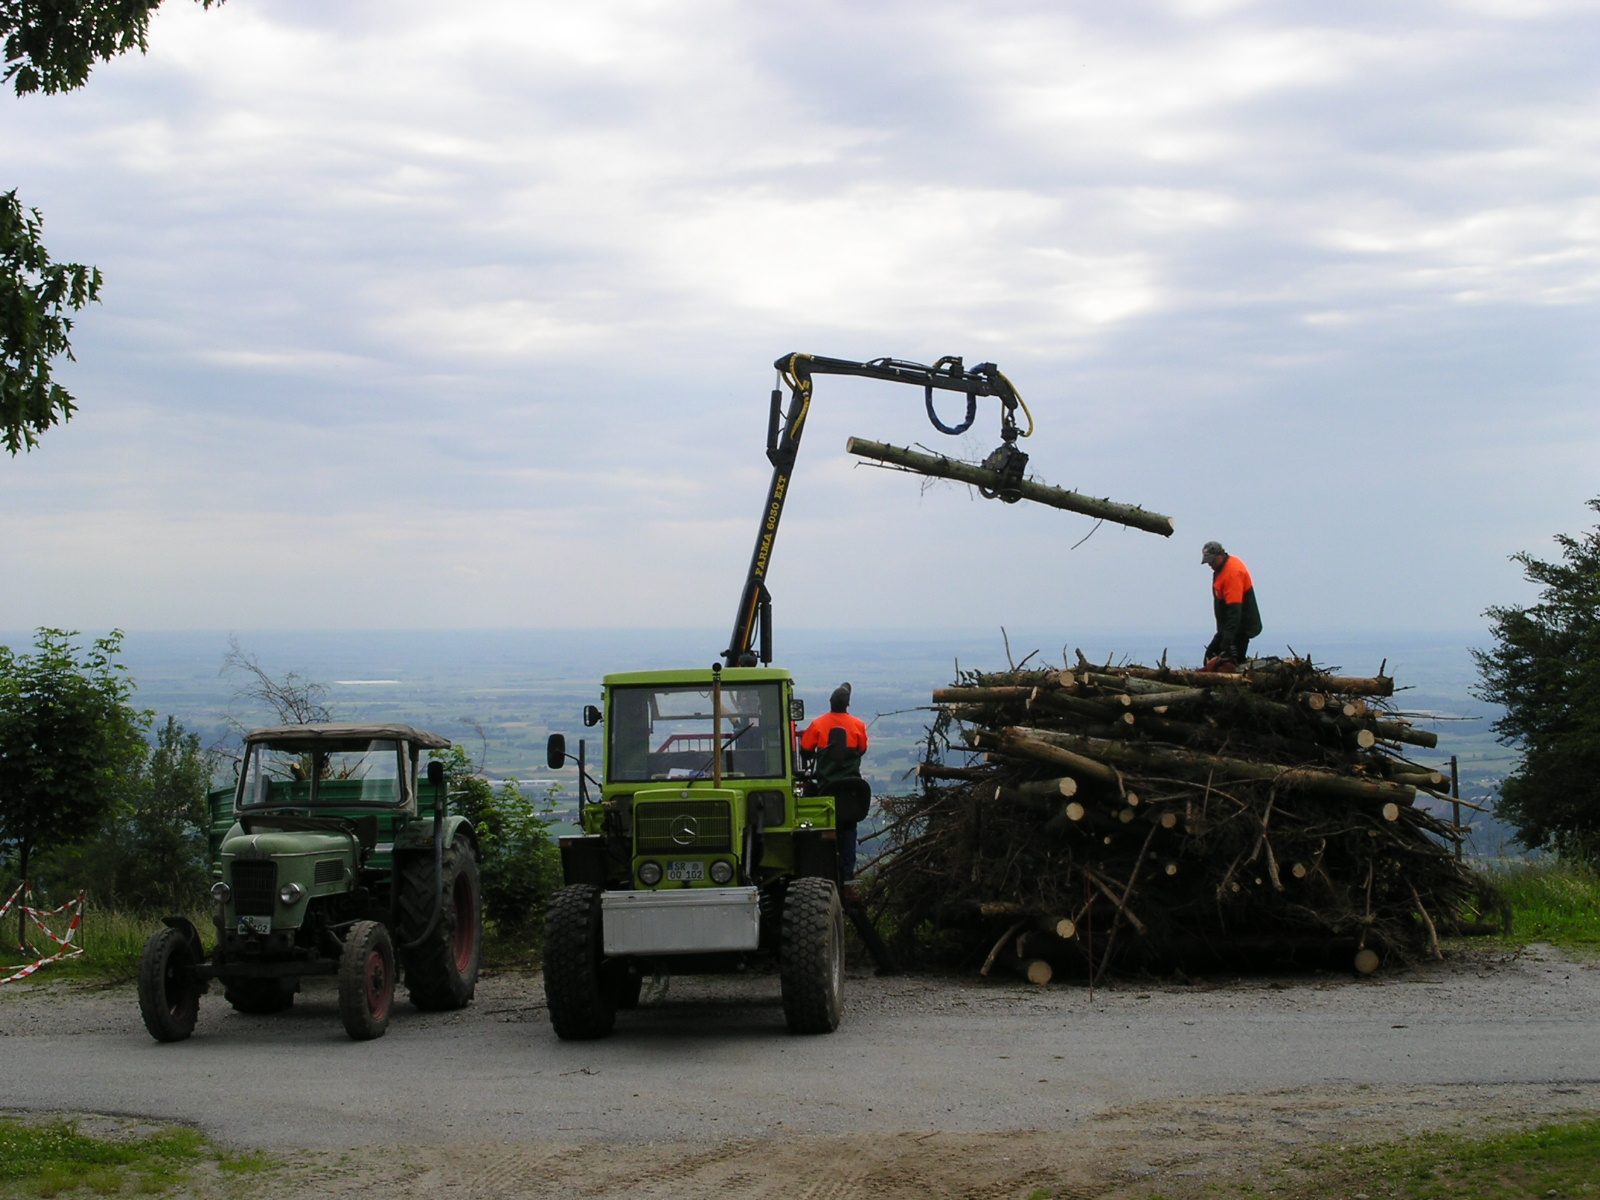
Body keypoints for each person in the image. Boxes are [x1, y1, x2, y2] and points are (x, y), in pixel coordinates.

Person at [799, 682, 869, 883]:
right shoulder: (858, 725)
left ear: (830, 702)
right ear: (848, 704)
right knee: (849, 828)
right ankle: (847, 875)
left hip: (826, 787)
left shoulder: (818, 724)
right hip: (851, 791)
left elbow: (805, 749)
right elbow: (862, 749)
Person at [1202, 540, 1262, 669]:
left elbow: (1234, 611)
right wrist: (1222, 634)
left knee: (1232, 663)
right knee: (1210, 659)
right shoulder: (1220, 569)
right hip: (1228, 627)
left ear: (1221, 555)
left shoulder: (1233, 573)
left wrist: (1227, 639)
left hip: (1240, 627)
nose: (1210, 564)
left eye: (1212, 560)